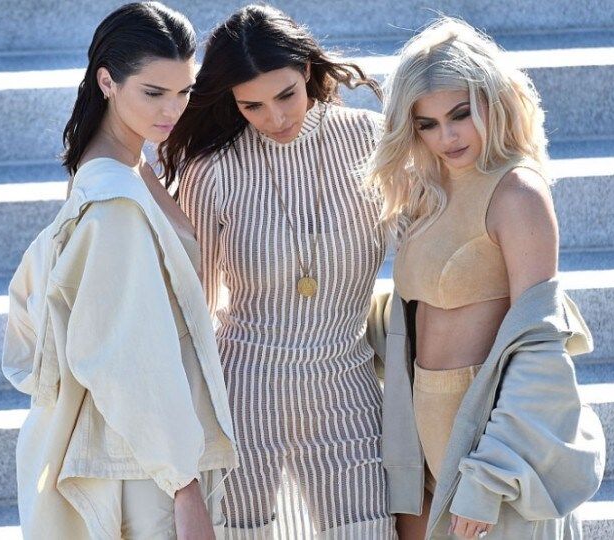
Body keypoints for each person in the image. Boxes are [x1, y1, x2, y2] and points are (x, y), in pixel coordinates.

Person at [1, 3, 237, 538]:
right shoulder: (115, 203)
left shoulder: (122, 164)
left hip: (142, 450)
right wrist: (185, 486)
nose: (172, 110)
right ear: (107, 80)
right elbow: (129, 357)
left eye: (183, 91)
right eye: (153, 93)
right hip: (143, 469)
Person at [364, 17, 605, 539]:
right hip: (420, 439)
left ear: (492, 102)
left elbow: (539, 343)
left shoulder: (517, 193)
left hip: (488, 445)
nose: (445, 136)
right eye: (426, 124)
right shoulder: (428, 192)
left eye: (459, 114)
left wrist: (492, 475)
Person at [158, 4, 394, 538]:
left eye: (286, 94)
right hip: (243, 391)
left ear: (307, 70)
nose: (276, 117)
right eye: (252, 106)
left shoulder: (373, 141)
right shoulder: (212, 170)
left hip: (348, 383)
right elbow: (195, 308)